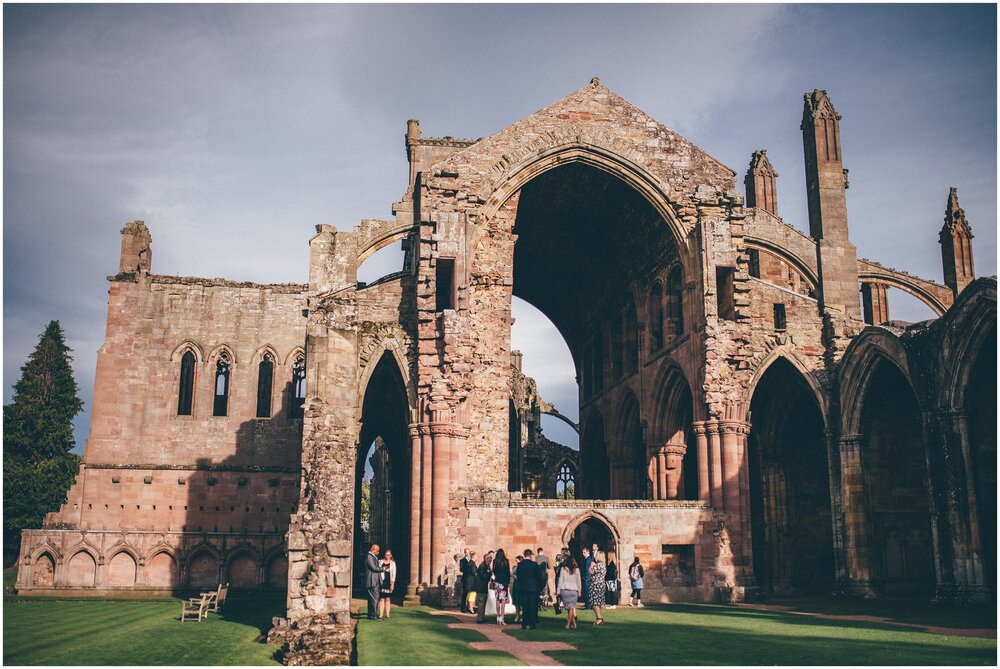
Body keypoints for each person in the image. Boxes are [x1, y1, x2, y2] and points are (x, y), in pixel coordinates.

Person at [515, 549, 543, 629]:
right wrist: (539, 588)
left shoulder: (520, 565)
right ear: (530, 555)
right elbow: (539, 577)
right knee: (532, 606)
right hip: (533, 589)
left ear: (524, 555)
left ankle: (524, 624)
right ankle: (532, 624)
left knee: (525, 607)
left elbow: (519, 577)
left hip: (523, 588)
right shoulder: (534, 565)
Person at [556, 555, 582, 630]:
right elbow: (579, 582)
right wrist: (579, 591)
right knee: (571, 608)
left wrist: (558, 591)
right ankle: (573, 624)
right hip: (574, 591)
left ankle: (569, 624)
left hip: (565, 590)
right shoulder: (577, 570)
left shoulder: (563, 569)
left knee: (569, 608)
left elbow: (560, 581)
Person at [492, 549, 511, 625]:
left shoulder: (495, 561)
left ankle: (497, 616)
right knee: (503, 600)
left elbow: (493, 571)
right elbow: (507, 572)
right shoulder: (506, 561)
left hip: (497, 582)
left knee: (497, 599)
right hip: (504, 582)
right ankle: (502, 617)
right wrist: (508, 582)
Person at [588, 550, 607, 625]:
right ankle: (598, 618)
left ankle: (599, 618)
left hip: (596, 585)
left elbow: (590, 571)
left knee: (594, 603)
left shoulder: (599, 565)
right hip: (601, 585)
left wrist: (591, 565)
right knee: (598, 603)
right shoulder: (603, 565)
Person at [364, 543, 382, 620]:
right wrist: (383, 569)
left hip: (373, 581)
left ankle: (371, 614)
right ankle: (373, 615)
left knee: (372, 598)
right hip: (372, 581)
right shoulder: (370, 557)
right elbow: (373, 568)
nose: (378, 553)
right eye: (377, 551)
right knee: (375, 598)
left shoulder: (372, 557)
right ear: (373, 549)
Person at [475, 551, 494, 623]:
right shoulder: (483, 566)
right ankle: (480, 618)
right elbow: (484, 576)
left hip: (483, 587)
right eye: (489, 560)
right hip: (481, 587)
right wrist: (490, 574)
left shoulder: (485, 566)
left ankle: (482, 617)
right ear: (486, 559)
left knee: (483, 603)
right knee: (481, 603)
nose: (490, 561)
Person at [378, 549, 397, 619]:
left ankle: (388, 614)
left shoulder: (392, 563)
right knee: (381, 599)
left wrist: (392, 584)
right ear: (384, 555)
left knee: (388, 598)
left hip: (389, 582)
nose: (387, 556)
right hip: (382, 582)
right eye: (386, 555)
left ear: (391, 555)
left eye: (389, 555)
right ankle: (380, 614)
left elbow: (394, 574)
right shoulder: (380, 562)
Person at [512, 555, 523, 623]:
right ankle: (517, 615)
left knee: (522, 601)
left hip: (522, 584)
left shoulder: (522, 567)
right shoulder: (517, 568)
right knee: (517, 601)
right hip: (516, 584)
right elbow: (512, 573)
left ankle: (522, 616)